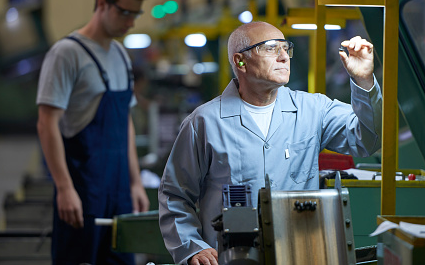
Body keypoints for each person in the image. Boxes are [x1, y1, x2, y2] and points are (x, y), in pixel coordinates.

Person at [158, 21, 382, 265]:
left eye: (286, 48)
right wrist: (192, 248)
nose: (284, 57)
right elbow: (175, 195)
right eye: (271, 48)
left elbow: (367, 140)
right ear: (240, 61)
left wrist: (364, 82)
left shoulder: (313, 110)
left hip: (299, 255)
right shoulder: (204, 122)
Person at [36, 0, 152, 264]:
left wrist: (135, 183)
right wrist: (64, 188)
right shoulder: (66, 54)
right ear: (102, 4)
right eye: (125, 12)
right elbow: (46, 124)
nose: (130, 21)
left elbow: (124, 122)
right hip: (83, 189)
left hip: (118, 190)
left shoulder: (121, 56)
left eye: (135, 14)